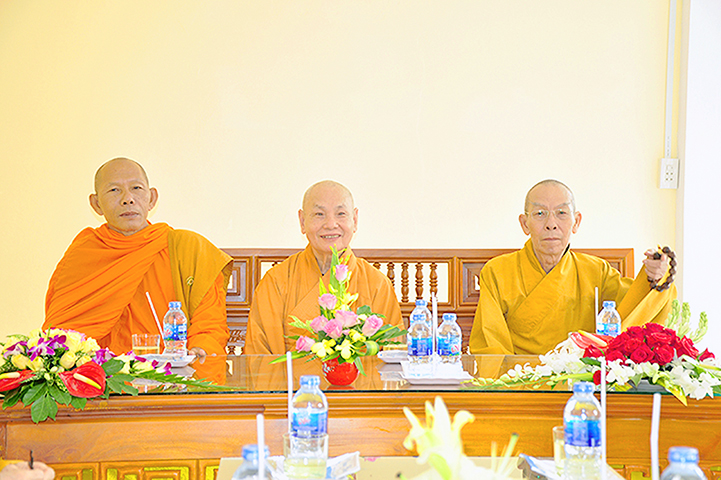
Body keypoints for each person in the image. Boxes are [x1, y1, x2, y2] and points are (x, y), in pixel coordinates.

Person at [44, 158, 233, 363]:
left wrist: (198, 350)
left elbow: (209, 325)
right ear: (96, 204)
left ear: (152, 198)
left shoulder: (187, 249)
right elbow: (61, 334)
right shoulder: (84, 254)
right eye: (114, 190)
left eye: (136, 188)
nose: (128, 199)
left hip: (169, 373)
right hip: (100, 375)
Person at [469, 179, 677, 355]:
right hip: (520, 379)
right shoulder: (497, 271)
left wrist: (654, 277)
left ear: (576, 222)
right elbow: (491, 346)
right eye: (540, 213)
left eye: (561, 213)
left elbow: (634, 310)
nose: (551, 223)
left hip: (580, 379)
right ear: (525, 224)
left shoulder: (596, 272)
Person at [244, 180, 403, 354]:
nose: (330, 224)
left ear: (355, 219)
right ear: (302, 221)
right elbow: (259, 356)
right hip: (291, 374)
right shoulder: (276, 281)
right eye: (319, 214)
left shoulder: (377, 284)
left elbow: (393, 354)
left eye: (341, 214)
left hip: (360, 374)